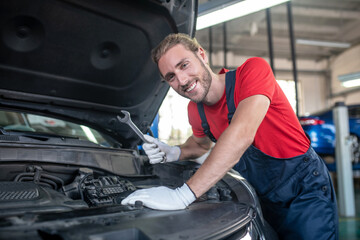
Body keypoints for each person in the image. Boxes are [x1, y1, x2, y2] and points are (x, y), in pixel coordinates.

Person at [122, 33, 338, 240]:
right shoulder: (195, 111)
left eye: (184, 65)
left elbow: (242, 134)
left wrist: (182, 195)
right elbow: (199, 144)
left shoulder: (252, 72)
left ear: (201, 55)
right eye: (171, 76)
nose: (182, 80)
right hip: (263, 198)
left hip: (304, 190)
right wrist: (174, 151)